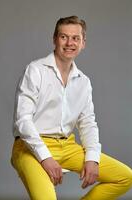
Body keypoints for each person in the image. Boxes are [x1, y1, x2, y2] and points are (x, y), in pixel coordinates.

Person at [11, 16, 132, 200]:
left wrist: (92, 157)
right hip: (30, 147)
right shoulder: (35, 70)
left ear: (83, 43)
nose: (69, 43)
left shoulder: (83, 81)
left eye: (76, 38)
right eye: (63, 37)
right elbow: (23, 120)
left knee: (125, 177)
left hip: (67, 146)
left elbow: (88, 123)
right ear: (54, 39)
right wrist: (45, 158)